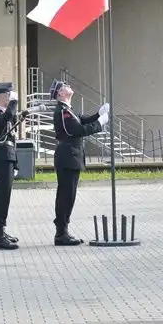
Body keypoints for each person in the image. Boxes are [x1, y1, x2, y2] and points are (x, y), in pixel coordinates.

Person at [49, 80, 109, 246]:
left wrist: (98, 114)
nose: (68, 86)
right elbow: (78, 130)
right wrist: (100, 123)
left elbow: (82, 120)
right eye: (64, 85)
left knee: (68, 196)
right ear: (60, 93)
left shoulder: (68, 110)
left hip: (71, 158)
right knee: (66, 197)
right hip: (68, 158)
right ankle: (61, 234)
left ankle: (63, 231)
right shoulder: (62, 112)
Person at [0, 82, 20, 250]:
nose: (11, 98)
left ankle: (2, 231)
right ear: (2, 97)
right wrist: (14, 104)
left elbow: (12, 119)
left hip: (7, 157)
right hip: (1, 157)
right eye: (9, 95)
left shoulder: (3, 112)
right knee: (0, 197)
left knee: (5, 196)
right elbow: (6, 119)